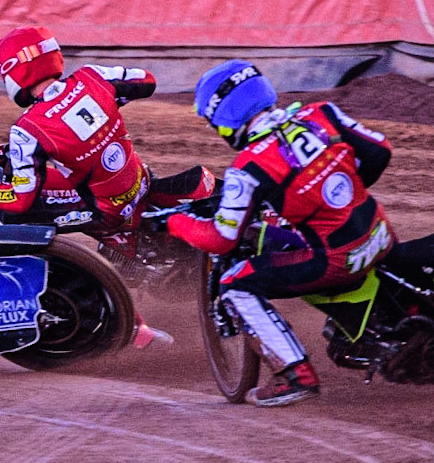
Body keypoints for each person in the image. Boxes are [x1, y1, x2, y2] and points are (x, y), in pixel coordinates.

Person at [0, 26, 214, 347]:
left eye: (1, 70)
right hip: (139, 182)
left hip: (106, 212)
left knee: (11, 219)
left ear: (18, 70)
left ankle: (130, 328)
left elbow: (21, 199)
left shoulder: (27, 129)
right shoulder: (92, 77)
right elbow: (146, 81)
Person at [167, 60, 394, 407]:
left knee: (235, 284)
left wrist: (175, 224)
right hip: (380, 233)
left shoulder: (248, 167)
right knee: (295, 235)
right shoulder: (322, 113)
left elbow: (223, 239)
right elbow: (379, 151)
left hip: (337, 260)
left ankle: (294, 375)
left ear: (225, 118)